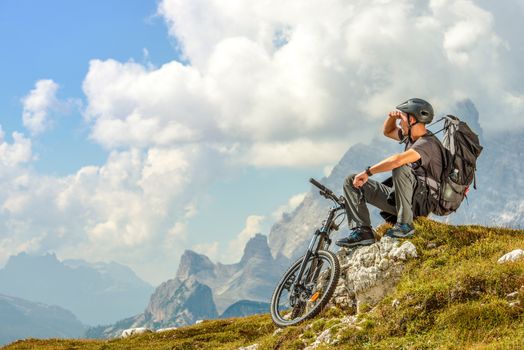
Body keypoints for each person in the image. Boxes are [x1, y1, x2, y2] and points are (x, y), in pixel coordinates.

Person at [335, 98, 444, 248]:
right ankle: (363, 232)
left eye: (402, 119)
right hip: (404, 199)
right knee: (351, 181)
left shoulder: (427, 144)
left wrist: (368, 172)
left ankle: (405, 225)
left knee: (401, 167)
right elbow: (388, 131)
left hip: (421, 204)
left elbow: (397, 161)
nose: (400, 123)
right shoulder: (411, 137)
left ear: (412, 119)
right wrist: (392, 117)